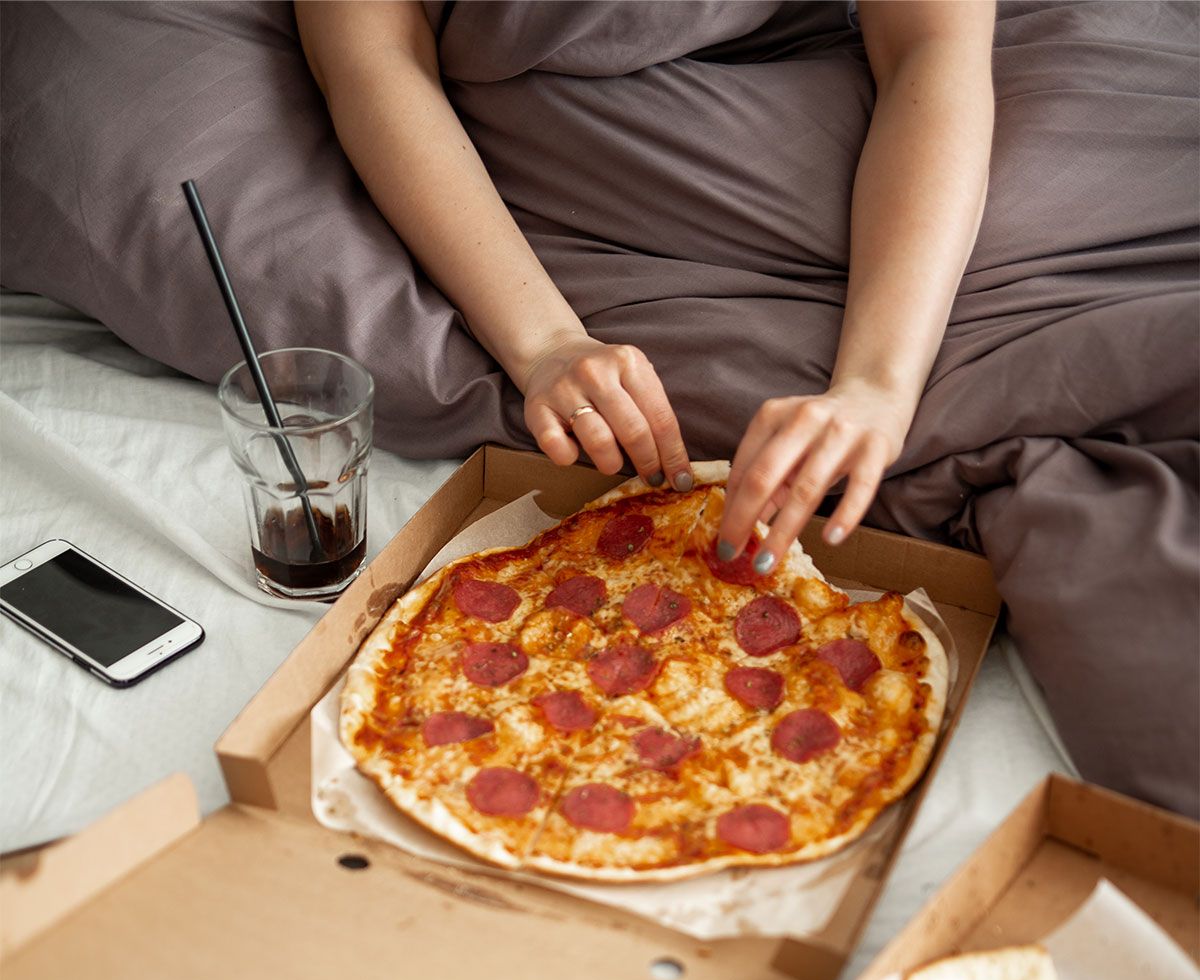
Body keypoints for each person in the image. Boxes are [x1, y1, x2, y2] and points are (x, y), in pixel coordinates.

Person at [296, 0, 994, 575]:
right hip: (533, 134)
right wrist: (547, 343)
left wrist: (879, 384)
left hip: (828, 94)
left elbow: (932, 46)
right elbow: (373, 56)